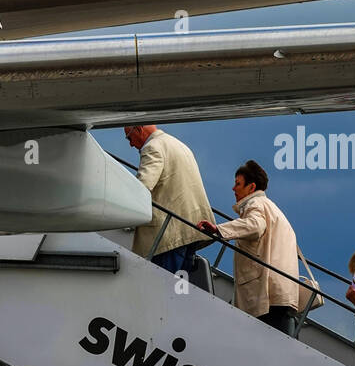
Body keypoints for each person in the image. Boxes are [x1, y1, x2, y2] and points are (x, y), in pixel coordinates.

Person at [198, 160, 299, 334]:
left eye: (238, 184)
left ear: (251, 188)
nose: (233, 188)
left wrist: (219, 229)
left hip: (266, 295)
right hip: (281, 293)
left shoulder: (255, 205)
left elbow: (255, 226)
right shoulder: (273, 209)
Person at [124, 125, 212, 275]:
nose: (131, 144)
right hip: (191, 230)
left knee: (161, 290)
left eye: (129, 138)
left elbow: (142, 187)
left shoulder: (152, 147)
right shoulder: (179, 145)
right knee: (179, 290)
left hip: (167, 237)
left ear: (139, 129)